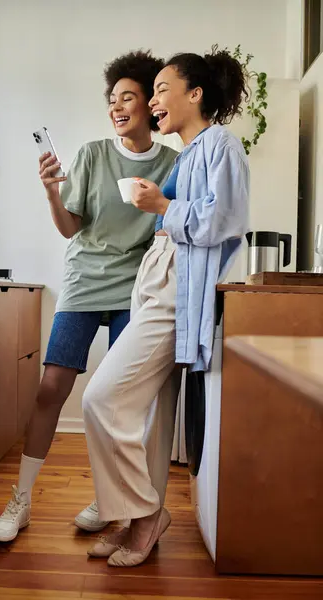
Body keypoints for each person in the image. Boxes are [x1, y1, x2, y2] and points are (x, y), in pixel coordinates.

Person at [0, 51, 178, 543]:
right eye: (112, 100)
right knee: (52, 387)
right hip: (84, 283)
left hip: (136, 289)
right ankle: (22, 500)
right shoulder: (93, 154)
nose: (117, 107)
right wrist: (52, 191)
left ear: (150, 105)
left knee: (121, 401)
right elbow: (72, 228)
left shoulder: (172, 164)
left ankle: (109, 498)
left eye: (128, 97)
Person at [83, 48, 250, 567]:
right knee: (148, 416)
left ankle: (147, 515)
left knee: (102, 399)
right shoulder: (188, 153)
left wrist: (161, 207)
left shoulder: (220, 142)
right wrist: (159, 208)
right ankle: (137, 518)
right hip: (156, 283)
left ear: (194, 94)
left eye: (160, 89)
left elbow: (223, 219)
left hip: (177, 292)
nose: (153, 101)